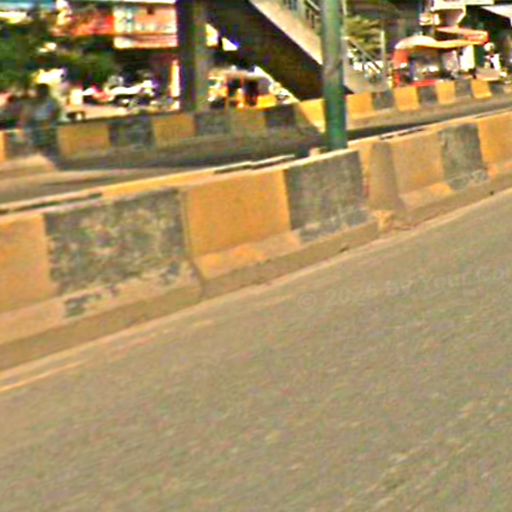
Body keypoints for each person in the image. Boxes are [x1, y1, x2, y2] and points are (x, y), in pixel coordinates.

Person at [19, 83, 61, 153]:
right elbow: (25, 114)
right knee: (37, 144)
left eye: (42, 90)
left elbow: (56, 113)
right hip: (35, 125)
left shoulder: (52, 101)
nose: (39, 92)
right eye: (38, 90)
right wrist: (24, 124)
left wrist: (49, 122)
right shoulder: (33, 102)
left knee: (48, 144)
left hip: (47, 125)